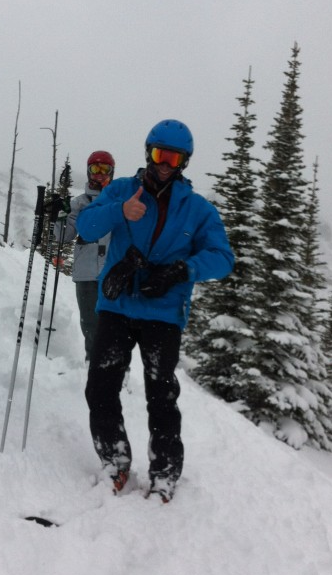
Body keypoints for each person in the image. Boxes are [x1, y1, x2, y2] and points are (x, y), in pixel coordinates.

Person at [76, 119, 234, 502]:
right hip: (116, 306)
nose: (165, 163)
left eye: (174, 157)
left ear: (184, 162)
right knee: (101, 386)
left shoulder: (197, 210)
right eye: (160, 154)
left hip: (163, 314)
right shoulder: (121, 191)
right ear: (148, 152)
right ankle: (114, 459)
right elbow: (85, 225)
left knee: (161, 395)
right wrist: (119, 212)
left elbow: (223, 258)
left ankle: (164, 471)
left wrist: (184, 269)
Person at [54, 151, 115, 361]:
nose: (99, 175)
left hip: (112, 271)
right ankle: (93, 363)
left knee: (114, 324)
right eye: (95, 169)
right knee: (90, 323)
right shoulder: (79, 203)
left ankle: (118, 369)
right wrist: (59, 217)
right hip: (86, 271)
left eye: (104, 170)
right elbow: (64, 236)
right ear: (89, 172)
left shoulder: (118, 201)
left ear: (111, 172)